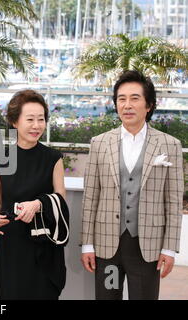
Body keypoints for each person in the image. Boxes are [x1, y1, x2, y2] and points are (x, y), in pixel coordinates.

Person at [80, 70, 184, 300]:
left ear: (149, 105)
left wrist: (168, 248)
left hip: (147, 247)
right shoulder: (100, 143)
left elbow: (174, 201)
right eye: (121, 98)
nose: (127, 105)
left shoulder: (170, 145)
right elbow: (91, 197)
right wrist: (86, 244)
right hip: (107, 245)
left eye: (134, 98)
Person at [0, 89, 67, 300]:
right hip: (11, 245)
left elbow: (61, 199)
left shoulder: (53, 158)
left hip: (44, 245)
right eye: (30, 119)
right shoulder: (1, 159)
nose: (36, 125)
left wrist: (39, 204)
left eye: (41, 119)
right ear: (14, 122)